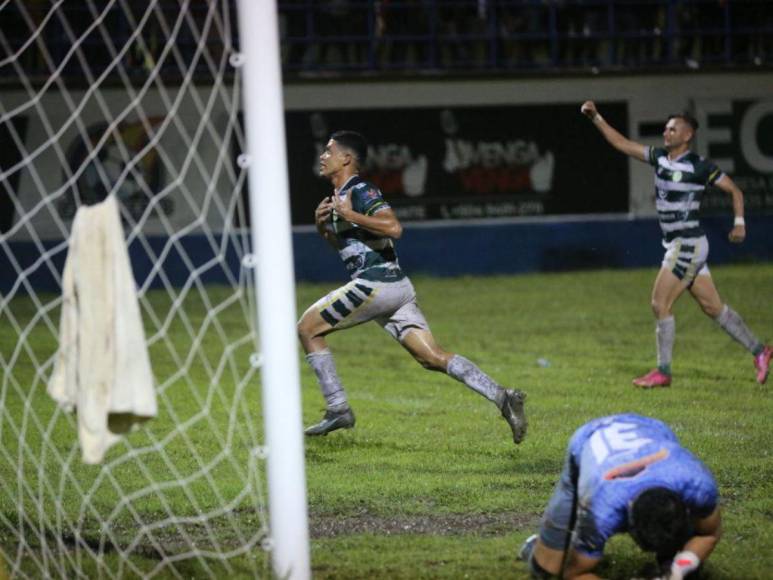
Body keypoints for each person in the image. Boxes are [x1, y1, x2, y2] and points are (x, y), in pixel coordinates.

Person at [298, 130, 527, 444]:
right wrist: (322, 225)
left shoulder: (360, 190)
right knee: (431, 357)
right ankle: (503, 397)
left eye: (328, 151)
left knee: (308, 329)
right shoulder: (339, 198)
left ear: (346, 158)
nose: (322, 156)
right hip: (395, 288)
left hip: (375, 285)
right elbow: (348, 246)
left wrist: (349, 213)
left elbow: (394, 227)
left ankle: (338, 408)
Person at [580, 101, 772, 388]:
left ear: (687, 135)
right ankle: (761, 351)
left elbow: (734, 190)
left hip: (688, 245)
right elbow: (621, 144)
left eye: (673, 129)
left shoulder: (699, 166)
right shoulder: (659, 158)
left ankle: (663, 371)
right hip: (680, 245)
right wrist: (596, 117)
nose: (666, 133)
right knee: (713, 307)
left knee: (660, 304)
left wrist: (740, 223)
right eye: (666, 128)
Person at [519, 413, 721, 580]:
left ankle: (669, 564)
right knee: (546, 572)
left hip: (650, 429)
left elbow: (708, 533)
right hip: (589, 438)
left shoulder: (697, 484)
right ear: (626, 524)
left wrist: (679, 568)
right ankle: (536, 546)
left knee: (684, 569)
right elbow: (575, 574)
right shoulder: (601, 510)